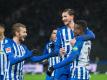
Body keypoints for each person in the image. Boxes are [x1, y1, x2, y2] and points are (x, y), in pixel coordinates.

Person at [47, 8, 95, 80]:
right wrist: (58, 51)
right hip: (64, 66)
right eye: (62, 17)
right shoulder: (60, 31)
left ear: (72, 16)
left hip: (76, 65)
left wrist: (77, 39)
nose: (63, 19)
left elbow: (92, 36)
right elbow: (56, 48)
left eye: (65, 16)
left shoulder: (82, 28)